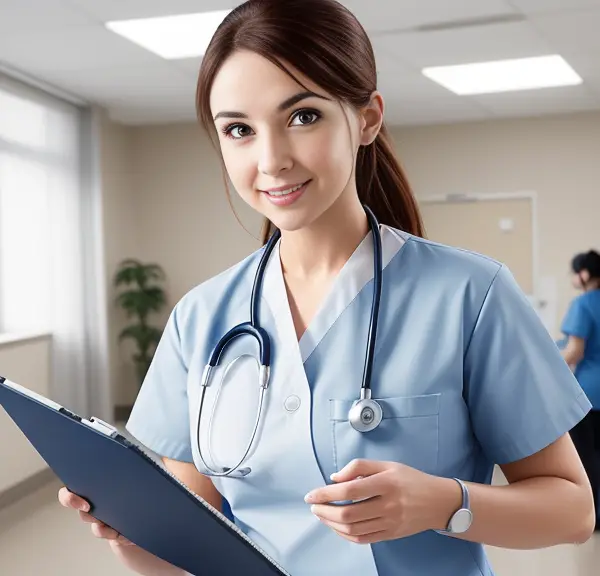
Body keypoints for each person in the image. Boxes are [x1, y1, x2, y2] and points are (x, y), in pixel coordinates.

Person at [59, 1, 595, 574]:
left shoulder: (470, 294)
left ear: (366, 119)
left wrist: (443, 503)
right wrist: (126, 533)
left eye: (302, 117)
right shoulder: (202, 317)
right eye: (239, 130)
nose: (271, 160)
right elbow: (188, 550)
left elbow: (573, 511)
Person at [561, 250, 600, 531]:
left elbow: (574, 352)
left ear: (584, 274)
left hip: (591, 395)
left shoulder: (584, 304)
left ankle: (595, 516)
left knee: (588, 457)